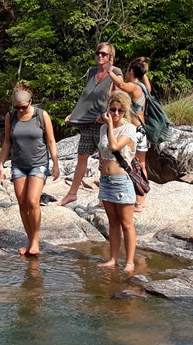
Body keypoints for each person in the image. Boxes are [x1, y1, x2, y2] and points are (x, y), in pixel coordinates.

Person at [0, 84, 60, 257]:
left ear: (31, 102)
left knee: (32, 201)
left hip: (38, 163)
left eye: (24, 107)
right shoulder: (11, 117)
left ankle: (36, 240)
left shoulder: (41, 115)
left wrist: (55, 163)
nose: (21, 110)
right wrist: (1, 164)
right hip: (18, 164)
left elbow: (51, 141)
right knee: (22, 203)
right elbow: (8, 141)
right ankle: (29, 240)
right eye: (18, 107)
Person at [60, 43, 123, 206]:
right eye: (98, 53)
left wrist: (106, 116)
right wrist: (74, 115)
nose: (100, 56)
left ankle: (104, 197)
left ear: (111, 56)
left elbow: (118, 99)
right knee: (82, 156)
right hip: (88, 121)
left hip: (102, 122)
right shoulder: (92, 72)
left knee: (104, 159)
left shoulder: (116, 73)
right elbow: (86, 99)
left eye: (104, 54)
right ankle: (72, 193)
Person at [95, 90, 138, 272]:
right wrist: (100, 163)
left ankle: (129, 262)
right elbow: (103, 149)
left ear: (125, 112)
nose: (116, 114)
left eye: (120, 111)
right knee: (112, 223)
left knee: (126, 223)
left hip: (121, 180)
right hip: (106, 180)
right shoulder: (103, 128)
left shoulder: (129, 129)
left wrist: (111, 125)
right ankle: (113, 258)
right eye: (113, 109)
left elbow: (114, 146)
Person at [108, 58, 151, 211]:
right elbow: (148, 85)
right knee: (141, 164)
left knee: (135, 164)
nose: (125, 73)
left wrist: (109, 70)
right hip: (142, 130)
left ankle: (139, 200)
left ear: (131, 72)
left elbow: (120, 85)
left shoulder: (133, 87)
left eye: (127, 71)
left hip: (135, 131)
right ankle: (141, 198)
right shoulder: (144, 87)